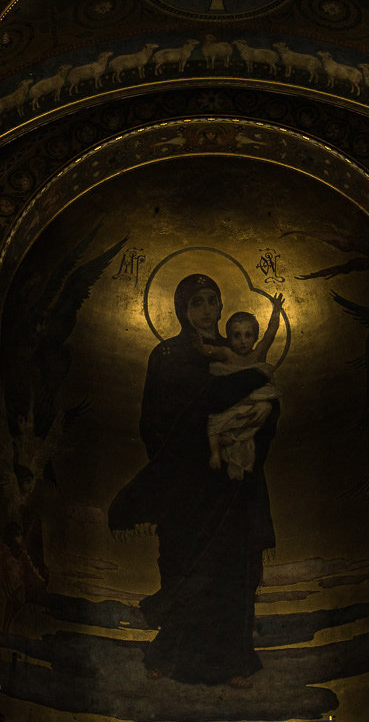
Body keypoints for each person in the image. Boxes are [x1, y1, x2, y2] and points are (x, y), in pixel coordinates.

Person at [108, 272, 279, 686]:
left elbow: (264, 403)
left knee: (230, 571)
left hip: (231, 484)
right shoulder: (166, 355)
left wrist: (265, 413)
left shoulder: (236, 349)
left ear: (222, 307)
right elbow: (154, 420)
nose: (206, 310)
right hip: (183, 481)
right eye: (197, 302)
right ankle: (171, 654)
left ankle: (234, 661)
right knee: (184, 567)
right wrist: (183, 455)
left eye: (212, 301)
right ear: (183, 310)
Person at [207, 296, 284, 478]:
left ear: (255, 336)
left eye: (248, 335)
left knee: (253, 416)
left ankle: (235, 437)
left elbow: (270, 334)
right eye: (237, 335)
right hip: (233, 410)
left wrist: (276, 311)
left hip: (254, 405)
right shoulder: (227, 356)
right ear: (229, 337)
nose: (243, 341)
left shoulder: (258, 353)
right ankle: (223, 447)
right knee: (220, 420)